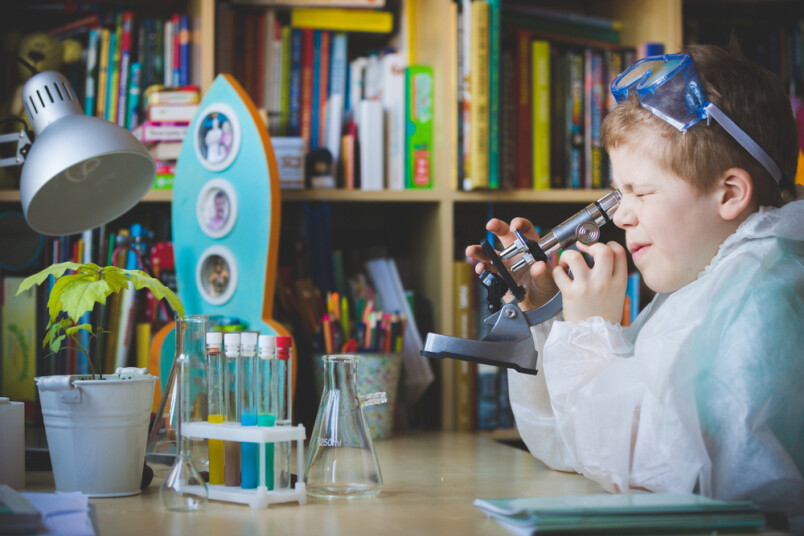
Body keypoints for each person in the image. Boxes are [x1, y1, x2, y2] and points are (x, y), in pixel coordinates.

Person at [468, 44, 804, 525]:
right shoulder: (701, 286)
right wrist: (547, 317)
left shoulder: (763, 299)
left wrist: (589, 334)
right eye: (618, 194)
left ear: (729, 193)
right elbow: (568, 446)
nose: (621, 216)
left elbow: (672, 476)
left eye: (641, 192)